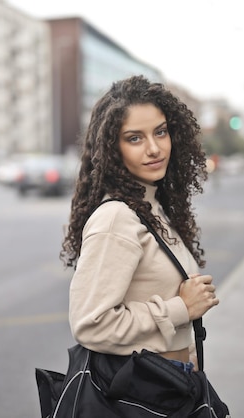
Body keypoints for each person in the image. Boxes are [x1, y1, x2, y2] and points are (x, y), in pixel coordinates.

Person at [60, 75, 220, 372]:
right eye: (135, 138)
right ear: (112, 148)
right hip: (141, 399)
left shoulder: (151, 206)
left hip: (173, 387)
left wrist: (189, 360)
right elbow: (90, 325)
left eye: (160, 132)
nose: (154, 148)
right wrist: (180, 309)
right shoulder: (116, 218)